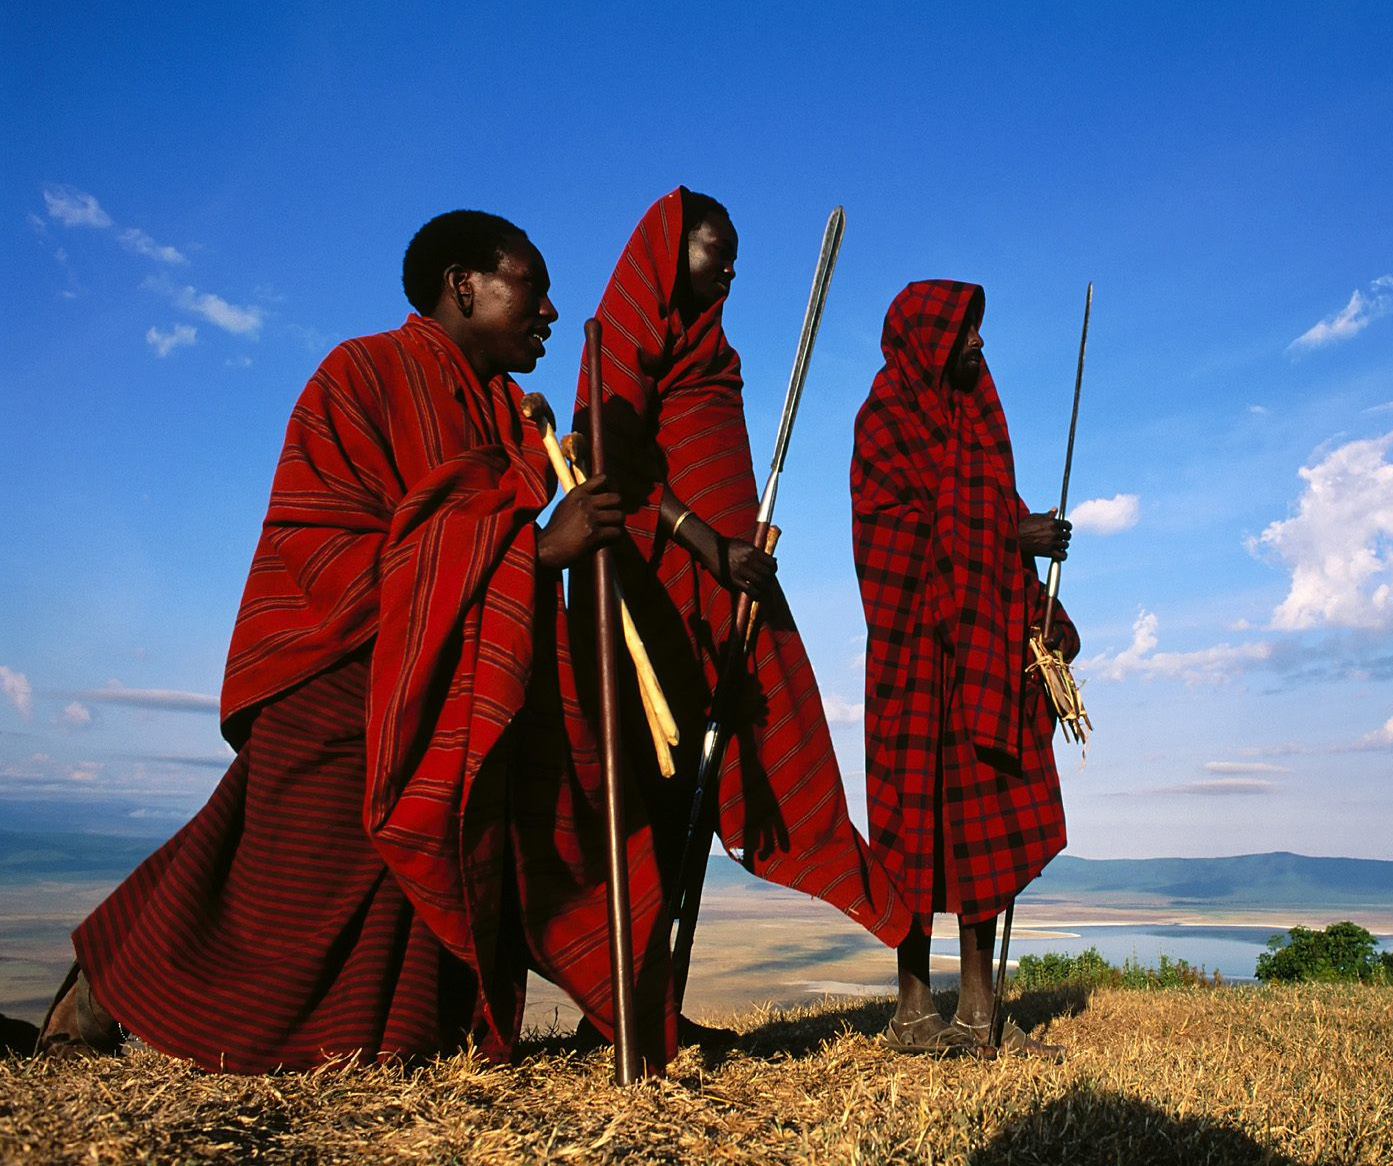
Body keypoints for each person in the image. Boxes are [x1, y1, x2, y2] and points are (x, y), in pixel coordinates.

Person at [37, 211, 678, 1071]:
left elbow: (465, 553)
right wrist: (533, 548)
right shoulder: (361, 374)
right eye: (531, 284)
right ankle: (105, 992)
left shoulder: (508, 423)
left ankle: (396, 1035)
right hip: (339, 669)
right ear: (463, 286)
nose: (551, 311)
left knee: (306, 880)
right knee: (270, 891)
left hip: (441, 684)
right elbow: (322, 543)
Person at [570, 187, 912, 1036]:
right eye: (712, 249)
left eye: (733, 256)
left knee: (696, 787)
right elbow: (607, 462)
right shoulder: (620, 341)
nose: (727, 267)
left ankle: (661, 1006)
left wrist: (736, 553)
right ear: (664, 251)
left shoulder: (714, 354)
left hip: (723, 591)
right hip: (646, 592)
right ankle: (616, 1009)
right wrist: (705, 542)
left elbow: (715, 467)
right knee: (644, 792)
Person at [851, 279, 1077, 1055]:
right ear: (926, 339)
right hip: (914, 656)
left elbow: (981, 513)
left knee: (984, 812)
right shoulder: (884, 420)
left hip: (982, 643)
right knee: (912, 825)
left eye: (978, 331)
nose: (978, 345)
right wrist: (1012, 537)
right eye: (964, 331)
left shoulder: (978, 418)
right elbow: (893, 544)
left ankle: (980, 1011)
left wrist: (1031, 591)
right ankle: (914, 1011)